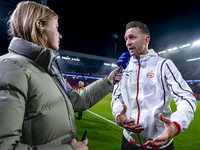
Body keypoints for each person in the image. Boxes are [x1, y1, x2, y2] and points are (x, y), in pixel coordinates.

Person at [0, 1, 123, 150]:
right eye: (56, 27)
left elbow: (78, 101)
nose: (60, 35)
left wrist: (108, 81)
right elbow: (6, 146)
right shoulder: (10, 67)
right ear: (40, 25)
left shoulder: (49, 68)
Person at [111, 21, 197, 150]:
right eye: (126, 39)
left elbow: (186, 97)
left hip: (159, 143)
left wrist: (176, 125)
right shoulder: (124, 67)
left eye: (132, 37)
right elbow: (117, 97)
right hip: (128, 141)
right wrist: (118, 115)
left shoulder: (164, 65)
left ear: (146, 39)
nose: (128, 42)